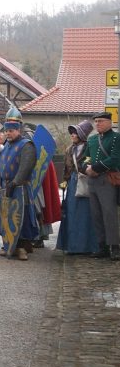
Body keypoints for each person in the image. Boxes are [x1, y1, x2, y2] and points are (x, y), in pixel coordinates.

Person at [0, 107, 38, 261]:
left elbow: (25, 168)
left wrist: (15, 183)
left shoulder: (27, 145)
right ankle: (8, 245)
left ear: (18, 130)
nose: (8, 133)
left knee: (21, 218)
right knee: (6, 218)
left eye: (11, 131)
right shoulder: (5, 146)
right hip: (5, 187)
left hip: (20, 189)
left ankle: (21, 248)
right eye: (6, 131)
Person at [80, 111, 120, 260]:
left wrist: (95, 168)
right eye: (96, 122)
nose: (98, 124)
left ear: (109, 122)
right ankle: (102, 246)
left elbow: (115, 159)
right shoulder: (92, 139)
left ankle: (114, 247)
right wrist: (86, 168)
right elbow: (85, 158)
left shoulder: (116, 138)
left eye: (101, 121)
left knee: (109, 214)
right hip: (92, 180)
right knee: (96, 215)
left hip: (107, 179)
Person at [56, 119, 98, 255]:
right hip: (72, 185)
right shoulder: (69, 149)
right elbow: (66, 168)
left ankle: (88, 247)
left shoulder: (90, 147)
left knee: (86, 216)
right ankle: (73, 246)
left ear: (82, 135)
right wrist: (64, 181)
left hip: (86, 183)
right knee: (72, 215)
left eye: (75, 133)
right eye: (72, 133)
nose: (72, 135)